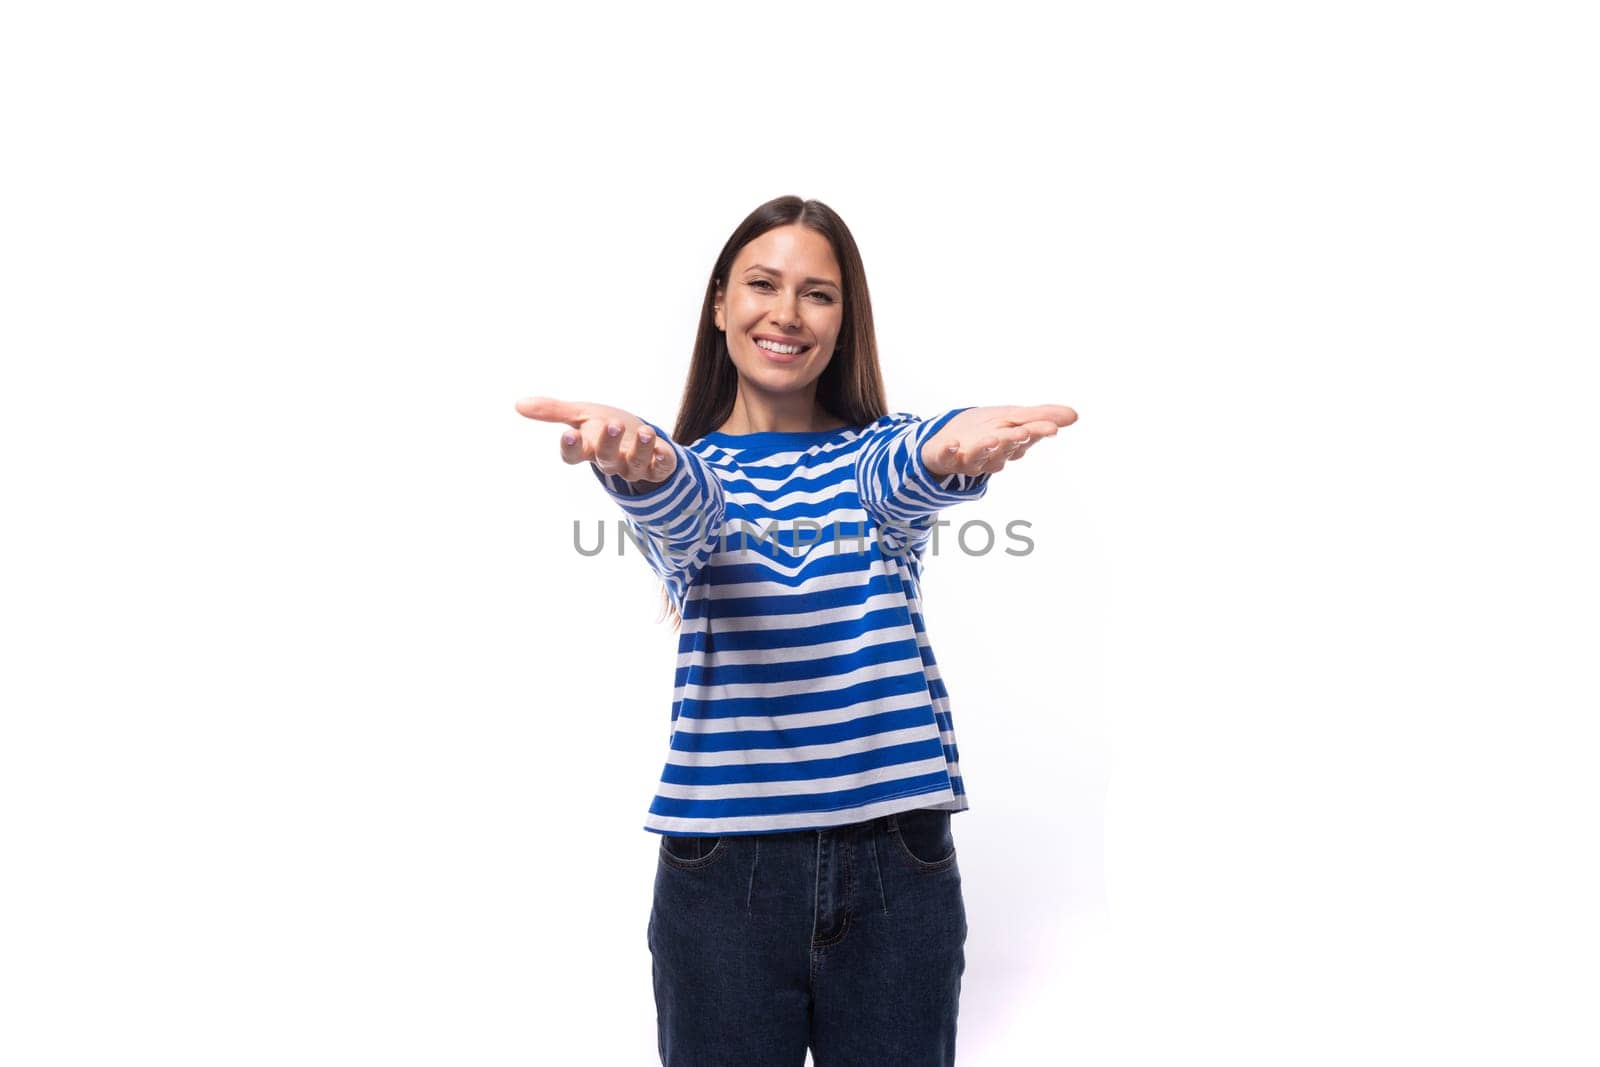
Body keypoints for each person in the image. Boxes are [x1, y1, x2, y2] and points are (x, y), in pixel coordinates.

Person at [516, 195, 1077, 1065]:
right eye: (762, 285)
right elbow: (688, 509)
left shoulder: (871, 457)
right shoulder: (689, 471)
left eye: (818, 293)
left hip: (897, 862)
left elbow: (907, 469)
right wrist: (648, 463)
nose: (786, 313)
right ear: (719, 305)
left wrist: (945, 451)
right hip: (721, 875)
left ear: (844, 321)